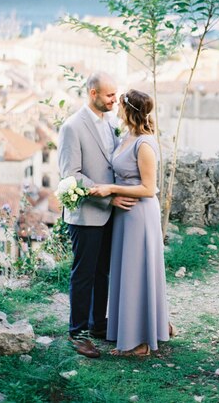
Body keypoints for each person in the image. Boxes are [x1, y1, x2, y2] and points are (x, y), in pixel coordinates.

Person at [58, 72, 138, 359]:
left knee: (103, 271)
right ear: (93, 94)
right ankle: (77, 333)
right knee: (83, 275)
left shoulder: (113, 122)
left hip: (110, 213)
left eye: (115, 94)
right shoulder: (72, 127)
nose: (115, 99)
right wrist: (108, 194)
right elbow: (71, 176)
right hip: (86, 214)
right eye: (109, 95)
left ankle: (97, 325)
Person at [90, 89, 170, 356]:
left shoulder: (144, 144)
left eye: (120, 103)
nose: (116, 105)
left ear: (129, 111)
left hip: (139, 215)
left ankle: (140, 343)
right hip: (124, 215)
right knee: (127, 273)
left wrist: (111, 189)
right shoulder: (126, 135)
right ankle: (147, 326)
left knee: (138, 272)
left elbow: (149, 188)